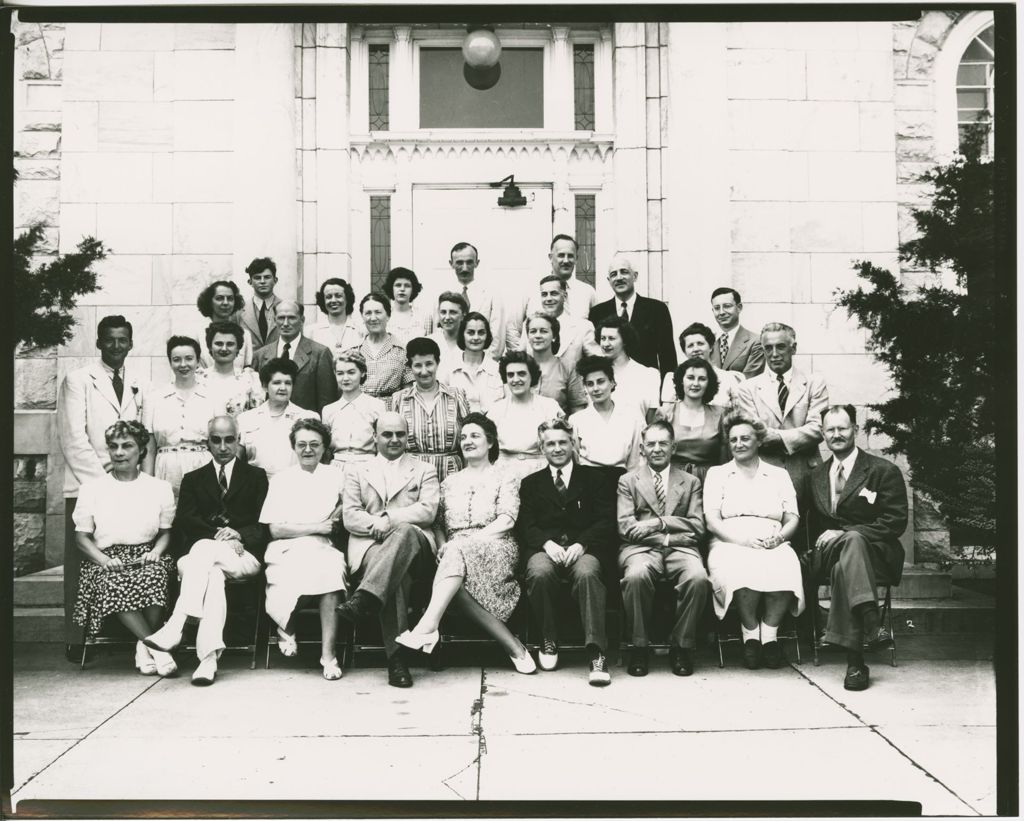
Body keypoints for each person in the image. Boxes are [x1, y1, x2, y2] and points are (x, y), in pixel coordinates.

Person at [395, 413, 535, 673]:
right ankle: (513, 645)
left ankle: (428, 626)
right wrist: (441, 546)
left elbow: (506, 520)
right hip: (454, 552)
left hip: (496, 545)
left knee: (455, 555)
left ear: (490, 442)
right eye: (463, 437)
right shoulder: (449, 482)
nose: (467, 441)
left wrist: (463, 543)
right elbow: (437, 525)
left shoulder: (506, 476)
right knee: (453, 570)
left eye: (475, 436)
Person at [143, 416, 269, 686]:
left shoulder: (256, 477)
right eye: (216, 440)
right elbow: (185, 522)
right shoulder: (193, 479)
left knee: (204, 552)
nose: (223, 446)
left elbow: (264, 524)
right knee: (211, 572)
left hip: (243, 555)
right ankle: (208, 660)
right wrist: (219, 537)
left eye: (229, 439)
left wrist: (239, 535)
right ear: (207, 443)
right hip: (199, 560)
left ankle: (177, 624)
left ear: (238, 440)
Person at [800, 405, 908, 692]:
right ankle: (872, 625)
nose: (836, 434)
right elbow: (807, 526)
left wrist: (846, 532)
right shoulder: (815, 477)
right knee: (846, 553)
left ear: (856, 431)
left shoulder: (883, 470)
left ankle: (856, 662)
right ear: (822, 434)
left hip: (876, 555)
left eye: (843, 428)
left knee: (851, 551)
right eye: (830, 430)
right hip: (828, 555)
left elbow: (895, 521)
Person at [58, 314, 147, 653]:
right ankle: (76, 639)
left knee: (122, 556)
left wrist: (127, 484)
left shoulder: (139, 382)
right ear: (98, 342)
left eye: (122, 339)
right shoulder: (78, 379)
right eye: (109, 339)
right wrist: (103, 486)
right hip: (88, 484)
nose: (116, 346)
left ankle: (124, 634)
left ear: (131, 343)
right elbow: (74, 439)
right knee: (83, 560)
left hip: (126, 483)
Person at [338, 412, 440, 688]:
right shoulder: (357, 470)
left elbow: (428, 511)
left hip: (417, 547)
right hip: (370, 546)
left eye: (400, 434)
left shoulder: (424, 469)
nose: (394, 440)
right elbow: (350, 516)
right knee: (396, 579)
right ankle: (397, 661)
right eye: (387, 434)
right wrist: (377, 525)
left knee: (405, 531)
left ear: (408, 437)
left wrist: (389, 520)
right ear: (375, 437)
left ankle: (366, 597)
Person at [72, 420, 177, 677]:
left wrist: (156, 552)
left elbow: (165, 533)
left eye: (127, 446)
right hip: (105, 560)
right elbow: (82, 538)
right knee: (115, 581)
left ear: (141, 450)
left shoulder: (159, 488)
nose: (119, 452)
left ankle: (144, 647)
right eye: (113, 446)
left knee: (156, 573)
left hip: (145, 555)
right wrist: (104, 560)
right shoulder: (92, 489)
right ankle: (159, 648)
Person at [518, 418, 617, 686]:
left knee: (587, 573)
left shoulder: (595, 479)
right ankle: (548, 639)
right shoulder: (531, 483)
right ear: (542, 448)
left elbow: (606, 520)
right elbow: (526, 524)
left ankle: (596, 652)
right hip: (545, 548)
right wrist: (546, 544)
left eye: (563, 442)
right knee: (538, 572)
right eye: (551, 443)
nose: (558, 448)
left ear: (573, 444)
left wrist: (582, 543)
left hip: (583, 548)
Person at [704, 413, 803, 670]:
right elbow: (712, 521)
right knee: (741, 566)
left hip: (772, 537)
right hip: (730, 540)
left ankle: (769, 636)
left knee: (786, 564)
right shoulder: (717, 474)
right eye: (733, 439)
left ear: (758, 441)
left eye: (745, 438)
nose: (739, 443)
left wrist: (779, 537)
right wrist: (742, 541)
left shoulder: (778, 474)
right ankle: (750, 635)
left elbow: (792, 518)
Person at [617, 420, 709, 677]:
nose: (657, 449)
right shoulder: (628, 481)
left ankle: (681, 645)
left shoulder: (690, 482)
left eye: (663, 443)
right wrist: (667, 537)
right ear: (642, 449)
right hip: (640, 550)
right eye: (651, 444)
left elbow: (697, 528)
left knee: (698, 578)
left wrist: (657, 523)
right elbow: (626, 528)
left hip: (682, 551)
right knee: (636, 576)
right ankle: (639, 645)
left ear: (673, 447)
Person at [259, 418, 348, 681]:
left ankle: (328, 655)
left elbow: (346, 509)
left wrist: (335, 518)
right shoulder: (281, 480)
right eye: (301, 445)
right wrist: (317, 527)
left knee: (331, 574)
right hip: (287, 548)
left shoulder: (336, 475)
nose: (308, 450)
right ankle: (287, 626)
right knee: (295, 570)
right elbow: (275, 529)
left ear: (324, 448)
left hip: (324, 547)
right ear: (293, 447)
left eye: (314, 444)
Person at [734, 322, 829, 490]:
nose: (775, 354)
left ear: (793, 348)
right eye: (768, 348)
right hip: (764, 475)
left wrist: (777, 438)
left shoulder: (814, 383)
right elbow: (753, 433)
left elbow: (818, 429)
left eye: (781, 347)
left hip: (808, 473)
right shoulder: (747, 388)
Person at [142, 336, 219, 500]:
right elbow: (149, 446)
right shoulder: (154, 398)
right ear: (170, 362)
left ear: (198, 361)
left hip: (203, 466)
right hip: (166, 468)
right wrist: (146, 483)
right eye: (177, 360)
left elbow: (219, 442)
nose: (183, 365)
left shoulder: (213, 396)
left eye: (189, 359)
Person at [388, 336, 470, 483]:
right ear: (409, 367)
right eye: (418, 365)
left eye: (429, 364)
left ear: (438, 363)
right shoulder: (398, 399)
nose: (424, 371)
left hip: (452, 477)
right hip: (411, 479)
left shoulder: (456, 395)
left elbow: (468, 437)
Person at [589, 254, 677, 379]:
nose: (619, 278)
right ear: (609, 281)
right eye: (614, 274)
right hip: (610, 386)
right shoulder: (597, 313)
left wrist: (666, 393)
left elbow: (668, 357)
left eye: (624, 272)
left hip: (647, 384)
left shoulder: (657, 309)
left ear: (634, 276)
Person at [251, 300, 338, 415]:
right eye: (281, 318)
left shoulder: (320, 353)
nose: (286, 323)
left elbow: (327, 401)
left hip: (306, 426)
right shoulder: (260, 355)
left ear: (302, 320)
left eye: (291, 318)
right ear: (275, 320)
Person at [486, 350, 565, 478]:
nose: (515, 379)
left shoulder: (548, 407)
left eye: (521, 374)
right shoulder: (496, 410)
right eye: (510, 375)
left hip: (540, 471)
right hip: (503, 473)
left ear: (531, 376)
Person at [237, 358, 319, 477]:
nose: (283, 388)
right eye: (276, 383)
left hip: (294, 484)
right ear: (265, 386)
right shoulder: (246, 419)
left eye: (288, 383)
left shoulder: (307, 418)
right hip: (255, 488)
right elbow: (239, 461)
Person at [654, 357, 729, 484]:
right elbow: (657, 455)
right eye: (690, 377)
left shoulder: (720, 414)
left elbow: (725, 459)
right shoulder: (665, 413)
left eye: (702, 379)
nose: (695, 383)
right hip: (672, 481)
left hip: (710, 481)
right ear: (681, 381)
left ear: (708, 383)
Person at [569, 355, 644, 478]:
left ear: (612, 382)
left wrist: (630, 485)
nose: (596, 388)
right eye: (590, 384)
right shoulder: (577, 420)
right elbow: (575, 458)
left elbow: (636, 459)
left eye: (601, 381)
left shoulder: (632, 416)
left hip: (623, 481)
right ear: (585, 388)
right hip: (589, 482)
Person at [513, 235, 598, 343]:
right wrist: (522, 358)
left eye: (570, 256)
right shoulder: (531, 290)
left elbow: (598, 331)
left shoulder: (588, 292)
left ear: (576, 258)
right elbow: (513, 329)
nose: (566, 260)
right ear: (550, 257)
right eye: (561, 255)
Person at [321, 351, 387, 474]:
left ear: (362, 373)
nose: (345, 378)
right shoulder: (329, 410)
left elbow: (382, 446)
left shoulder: (377, 406)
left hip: (369, 467)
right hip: (336, 469)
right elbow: (327, 450)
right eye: (340, 373)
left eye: (351, 372)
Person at [514, 275, 598, 371]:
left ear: (565, 296)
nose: (548, 298)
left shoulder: (583, 327)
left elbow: (597, 363)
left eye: (554, 293)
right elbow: (519, 361)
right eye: (544, 294)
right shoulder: (530, 325)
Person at [444, 241, 505, 359]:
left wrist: (481, 364)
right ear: (451, 264)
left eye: (469, 262)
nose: (465, 268)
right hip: (450, 364)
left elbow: (497, 338)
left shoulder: (492, 293)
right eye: (459, 263)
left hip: (483, 362)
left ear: (477, 263)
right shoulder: (443, 294)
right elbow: (440, 333)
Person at [660, 322, 742, 408]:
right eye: (690, 346)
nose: (696, 349)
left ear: (710, 347)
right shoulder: (673, 378)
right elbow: (667, 415)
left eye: (700, 344)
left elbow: (738, 414)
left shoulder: (729, 378)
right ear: (684, 351)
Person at [595, 316, 661, 416]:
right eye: (603, 338)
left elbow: (651, 419)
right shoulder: (594, 374)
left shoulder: (648, 375)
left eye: (611, 338)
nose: (606, 344)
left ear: (625, 340)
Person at [524, 312, 587, 415]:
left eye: (543, 331)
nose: (537, 336)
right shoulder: (519, 366)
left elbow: (578, 409)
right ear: (528, 336)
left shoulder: (568, 367)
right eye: (533, 331)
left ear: (554, 336)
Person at [354, 292, 414, 399]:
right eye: (368, 313)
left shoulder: (402, 351)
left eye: (378, 312)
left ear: (388, 315)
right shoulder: (355, 351)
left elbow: (408, 392)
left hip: (392, 410)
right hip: (361, 411)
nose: (373, 318)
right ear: (362, 317)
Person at [441, 312, 505, 412]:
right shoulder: (448, 368)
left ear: (487, 335)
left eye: (481, 332)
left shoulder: (497, 370)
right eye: (470, 332)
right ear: (462, 335)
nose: (476, 337)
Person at [199, 321, 264, 418]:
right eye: (218, 344)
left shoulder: (250, 379)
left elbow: (257, 417)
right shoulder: (198, 379)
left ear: (238, 348)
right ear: (210, 346)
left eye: (230, 344)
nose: (224, 349)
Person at [195, 280, 255, 369]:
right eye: (219, 298)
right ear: (209, 302)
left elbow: (247, 368)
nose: (226, 303)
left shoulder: (244, 335)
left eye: (230, 298)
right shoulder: (198, 335)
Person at [708, 287, 765, 379]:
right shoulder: (706, 342)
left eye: (727, 306)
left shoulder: (756, 342)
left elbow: (749, 381)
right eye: (717, 308)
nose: (721, 312)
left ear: (739, 308)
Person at [308, 277, 365, 358]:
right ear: (323, 300)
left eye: (338, 296)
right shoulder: (311, 332)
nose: (333, 300)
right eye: (328, 297)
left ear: (347, 298)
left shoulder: (360, 330)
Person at [383, 267, 434, 346]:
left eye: (407, 286)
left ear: (413, 289)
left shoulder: (424, 317)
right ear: (391, 288)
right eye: (398, 285)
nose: (402, 289)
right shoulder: (383, 316)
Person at [239, 257, 281, 349]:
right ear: (250, 282)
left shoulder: (286, 308)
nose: (262, 281)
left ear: (275, 280)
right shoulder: (239, 311)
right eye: (257, 278)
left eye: (267, 277)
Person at [428, 291, 469, 367]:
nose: (447, 317)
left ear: (463, 315)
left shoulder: (470, 343)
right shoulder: (429, 342)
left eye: (453, 312)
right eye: (443, 312)